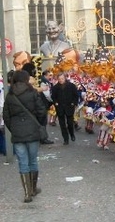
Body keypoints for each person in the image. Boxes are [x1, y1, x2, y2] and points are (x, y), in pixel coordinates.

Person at [3, 70, 48, 202]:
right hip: (32, 131)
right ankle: (33, 188)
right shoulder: (32, 92)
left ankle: (27, 193)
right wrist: (38, 124)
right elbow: (41, 110)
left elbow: (6, 115)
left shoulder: (10, 95)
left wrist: (14, 128)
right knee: (32, 160)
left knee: (23, 162)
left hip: (17, 132)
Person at [50, 73, 80, 145]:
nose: (61, 80)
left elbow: (76, 95)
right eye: (59, 79)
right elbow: (53, 97)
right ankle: (65, 139)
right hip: (60, 107)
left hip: (69, 106)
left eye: (62, 79)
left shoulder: (71, 86)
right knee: (62, 125)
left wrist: (74, 103)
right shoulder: (55, 87)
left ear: (65, 78)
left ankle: (71, 134)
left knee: (70, 123)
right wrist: (55, 103)